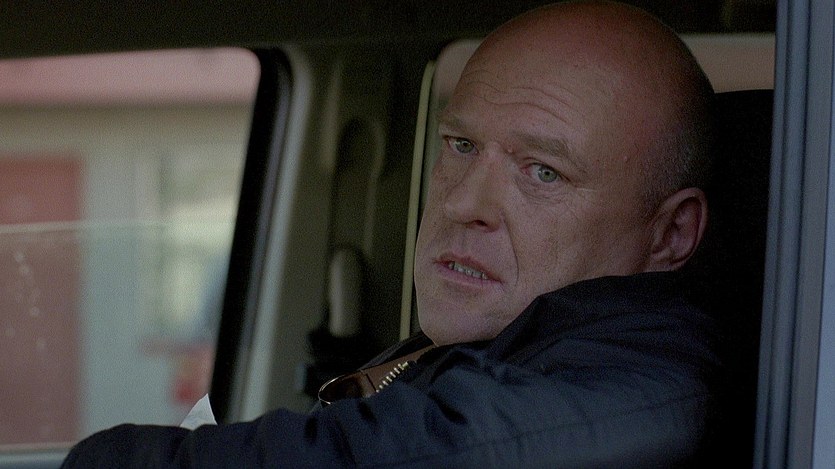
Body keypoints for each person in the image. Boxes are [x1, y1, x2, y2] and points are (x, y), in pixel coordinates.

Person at [62, 1, 721, 467]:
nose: (463, 202)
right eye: (460, 145)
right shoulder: (505, 344)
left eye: (543, 171)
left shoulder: (635, 393)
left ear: (670, 234)